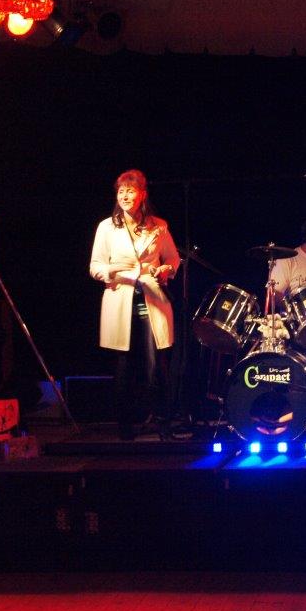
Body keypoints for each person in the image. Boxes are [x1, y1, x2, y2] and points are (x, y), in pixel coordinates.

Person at [89, 169, 180, 440]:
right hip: (121, 298)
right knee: (124, 366)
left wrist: (165, 269)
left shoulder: (158, 225)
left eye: (130, 191)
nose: (125, 196)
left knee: (157, 364)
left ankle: (163, 424)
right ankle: (125, 426)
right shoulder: (107, 227)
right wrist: (114, 271)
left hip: (151, 299)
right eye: (121, 191)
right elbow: (95, 266)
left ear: (142, 195)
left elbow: (173, 259)